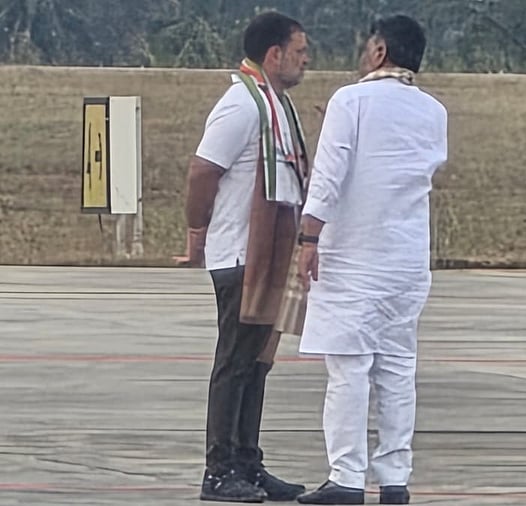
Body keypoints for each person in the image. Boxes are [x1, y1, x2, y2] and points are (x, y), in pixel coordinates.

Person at [293, 14, 449, 506]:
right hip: (406, 259)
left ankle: (347, 477)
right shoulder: (434, 111)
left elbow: (330, 175)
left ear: (380, 51)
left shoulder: (351, 100)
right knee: (398, 369)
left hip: (355, 257)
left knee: (349, 369)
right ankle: (395, 478)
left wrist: (307, 236)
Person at [182, 10, 311, 503]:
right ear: (273, 54)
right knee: (235, 361)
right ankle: (218, 470)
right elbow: (201, 171)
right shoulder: (243, 104)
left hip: (266, 255)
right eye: (299, 52)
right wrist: (198, 229)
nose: (305, 62)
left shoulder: (275, 106)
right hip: (240, 254)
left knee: (258, 362)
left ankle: (247, 461)